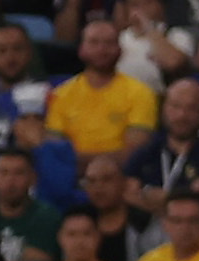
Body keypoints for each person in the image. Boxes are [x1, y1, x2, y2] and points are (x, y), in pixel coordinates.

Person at [47, 18, 158, 162]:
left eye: (109, 43)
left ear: (120, 50)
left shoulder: (141, 93)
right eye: (94, 42)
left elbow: (135, 154)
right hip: (71, 176)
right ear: (81, 49)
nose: (101, 49)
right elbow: (54, 151)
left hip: (118, 176)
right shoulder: (60, 94)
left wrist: (78, 160)